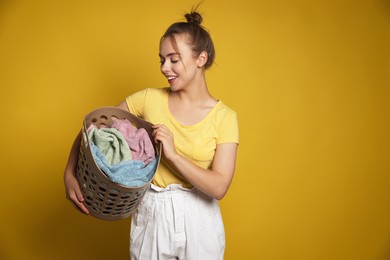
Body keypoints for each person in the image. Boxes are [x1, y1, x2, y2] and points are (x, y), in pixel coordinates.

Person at [64, 8, 239, 260]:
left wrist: (174, 155)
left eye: (174, 59)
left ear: (201, 58)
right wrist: (68, 173)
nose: (164, 67)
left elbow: (219, 186)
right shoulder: (147, 100)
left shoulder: (225, 117)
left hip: (200, 218)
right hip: (153, 211)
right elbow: (94, 133)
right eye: (162, 59)